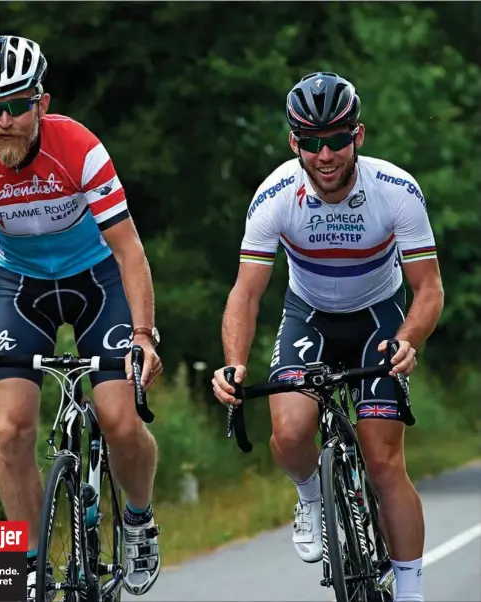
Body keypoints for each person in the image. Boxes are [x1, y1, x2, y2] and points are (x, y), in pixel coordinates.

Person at [0, 35, 162, 600]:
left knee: (120, 417)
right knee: (9, 427)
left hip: (97, 280)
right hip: (21, 290)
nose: (5, 120)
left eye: (17, 104)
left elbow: (129, 251)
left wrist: (141, 336)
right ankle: (33, 561)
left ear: (42, 101)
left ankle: (137, 518)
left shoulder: (80, 149)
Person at [212, 72, 443, 602]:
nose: (325, 154)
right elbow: (245, 294)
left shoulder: (395, 191)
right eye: (311, 143)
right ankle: (310, 494)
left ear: (357, 136)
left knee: (384, 461)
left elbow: (428, 288)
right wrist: (234, 363)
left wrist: (409, 338)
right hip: (308, 317)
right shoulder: (274, 196)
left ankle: (410, 591)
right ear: (294, 143)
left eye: (337, 139)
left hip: (379, 319)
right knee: (291, 434)